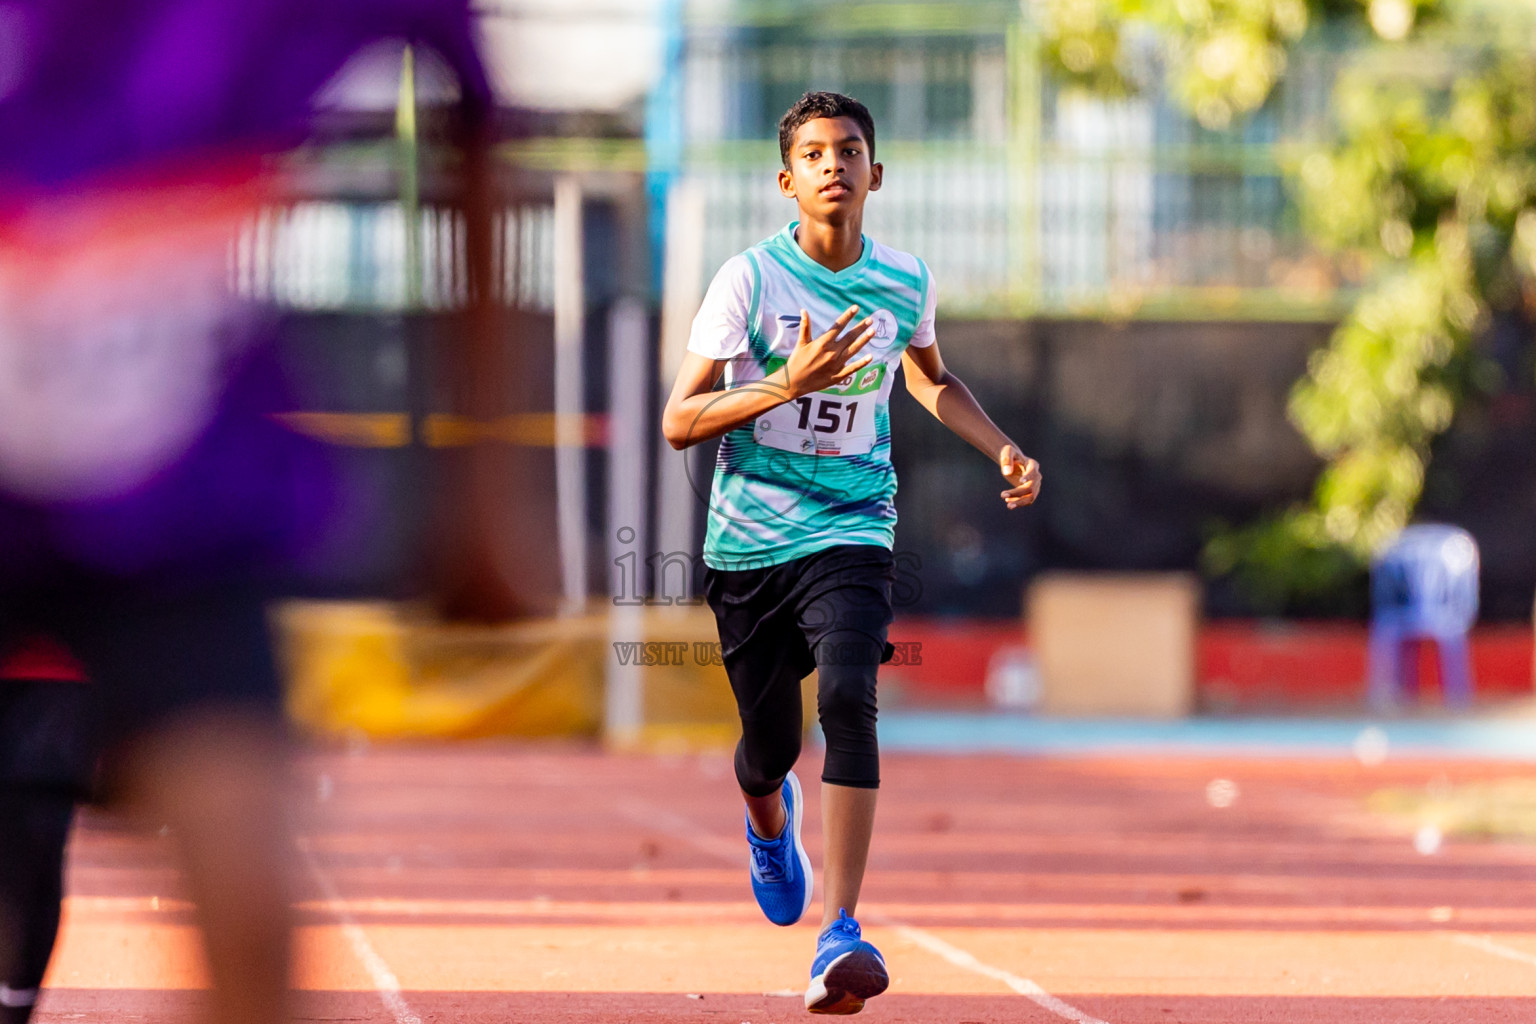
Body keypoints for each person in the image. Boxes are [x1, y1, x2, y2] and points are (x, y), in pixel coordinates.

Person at [661, 90, 1042, 1015]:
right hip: (750, 538)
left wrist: (1001, 445)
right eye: (817, 154)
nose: (835, 165)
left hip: (854, 525)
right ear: (787, 181)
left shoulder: (904, 280)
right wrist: (784, 382)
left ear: (876, 173)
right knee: (767, 750)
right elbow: (680, 421)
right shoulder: (748, 282)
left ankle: (840, 933)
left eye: (851, 151)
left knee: (847, 696)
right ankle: (766, 822)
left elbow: (930, 378)